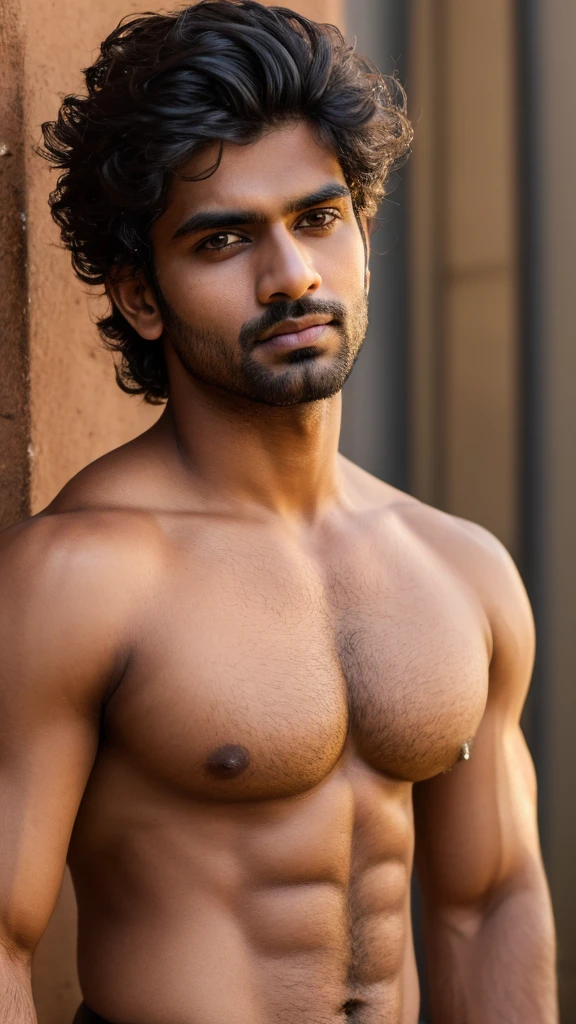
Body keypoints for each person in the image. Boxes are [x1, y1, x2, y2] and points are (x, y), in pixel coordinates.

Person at [0, 2, 557, 1022]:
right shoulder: (82, 574)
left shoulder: (462, 569)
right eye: (224, 240)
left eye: (317, 217)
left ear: (362, 225)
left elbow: (490, 903)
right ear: (140, 295)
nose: (292, 275)